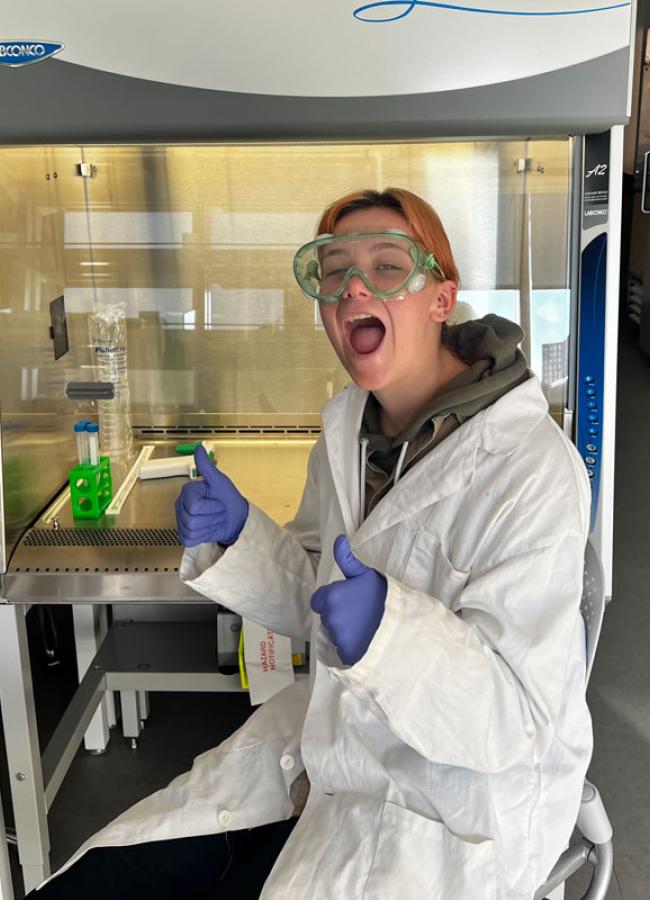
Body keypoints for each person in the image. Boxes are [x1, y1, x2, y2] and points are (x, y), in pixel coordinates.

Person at [31, 188, 592, 899]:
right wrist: (242, 536)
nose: (353, 286)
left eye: (387, 266)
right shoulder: (350, 431)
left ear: (441, 299)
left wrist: (389, 635)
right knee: (98, 882)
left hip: (452, 811)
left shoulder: (532, 468)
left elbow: (518, 724)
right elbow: (321, 602)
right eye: (333, 272)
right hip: (330, 751)